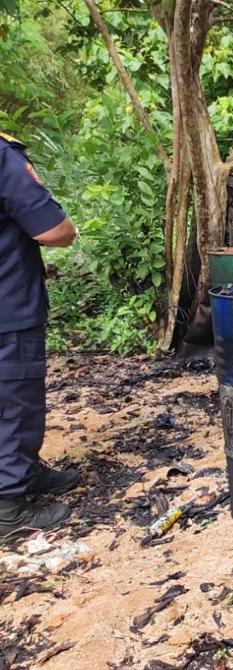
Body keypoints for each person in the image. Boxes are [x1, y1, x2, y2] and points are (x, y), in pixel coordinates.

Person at [0, 132, 80, 539]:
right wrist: (70, 230)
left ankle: (24, 472)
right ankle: (9, 507)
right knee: (15, 399)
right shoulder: (1, 156)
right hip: (7, 304)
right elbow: (53, 230)